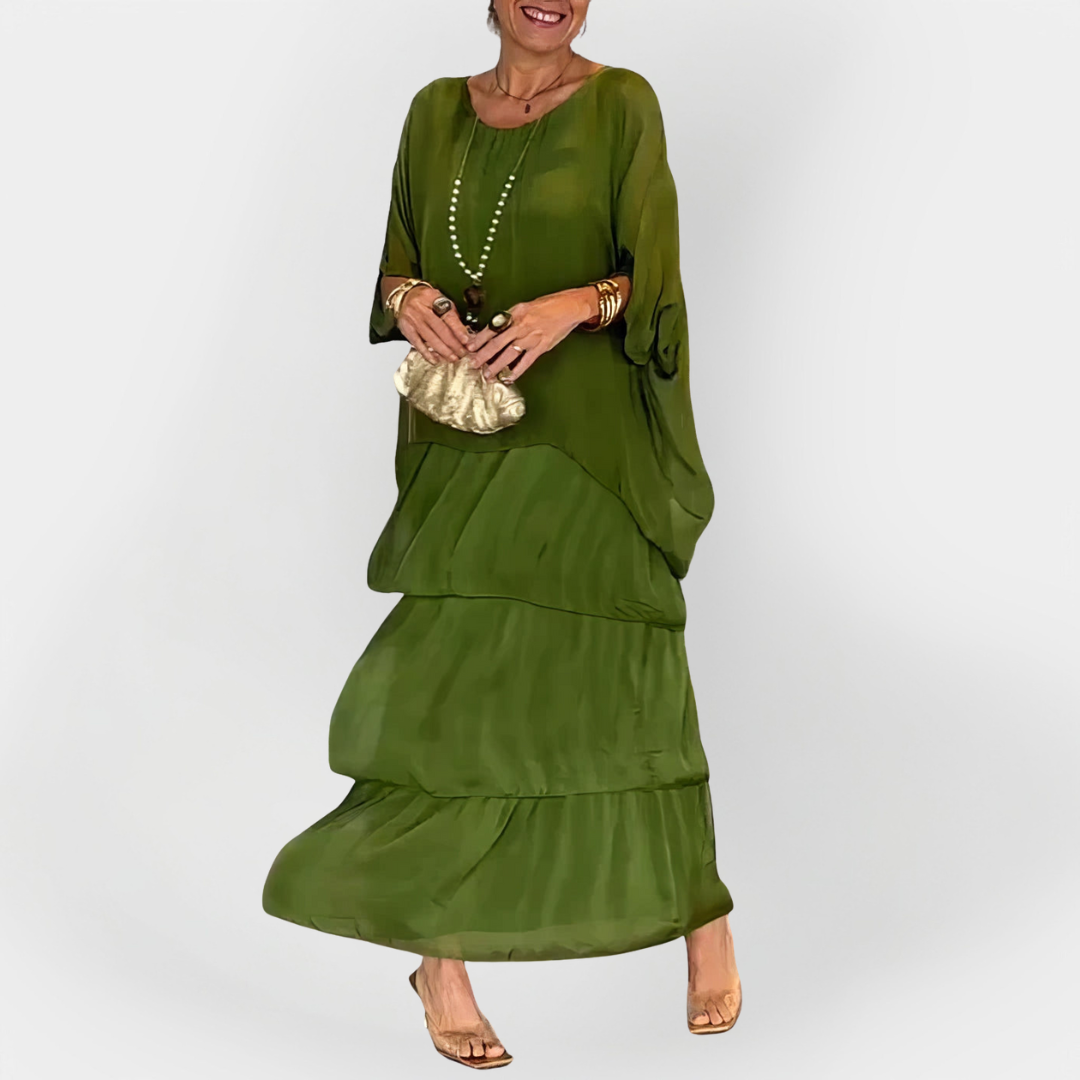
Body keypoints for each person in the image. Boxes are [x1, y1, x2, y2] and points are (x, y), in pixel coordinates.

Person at [262, 0, 742, 1067]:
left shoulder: (623, 104)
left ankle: (701, 919)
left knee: (625, 677)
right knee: (453, 695)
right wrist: (411, 298)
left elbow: (657, 277)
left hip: (591, 441)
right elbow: (396, 263)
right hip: (466, 437)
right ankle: (440, 962)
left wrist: (577, 304)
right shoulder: (434, 111)